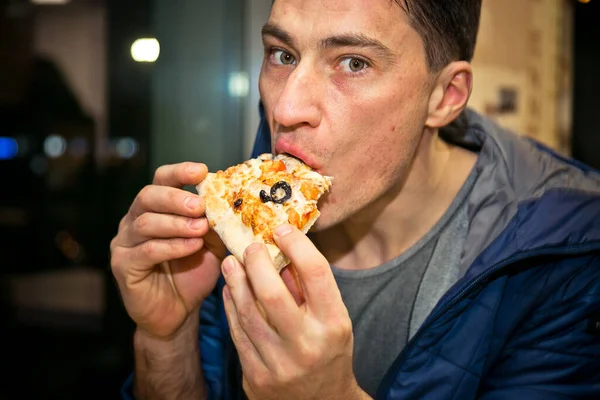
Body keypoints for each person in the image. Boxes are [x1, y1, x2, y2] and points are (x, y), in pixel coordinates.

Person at [111, 0, 600, 399]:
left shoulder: (567, 255)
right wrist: (166, 336)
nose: (285, 108)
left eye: (353, 63)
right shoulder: (241, 220)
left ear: (445, 96)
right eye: (282, 54)